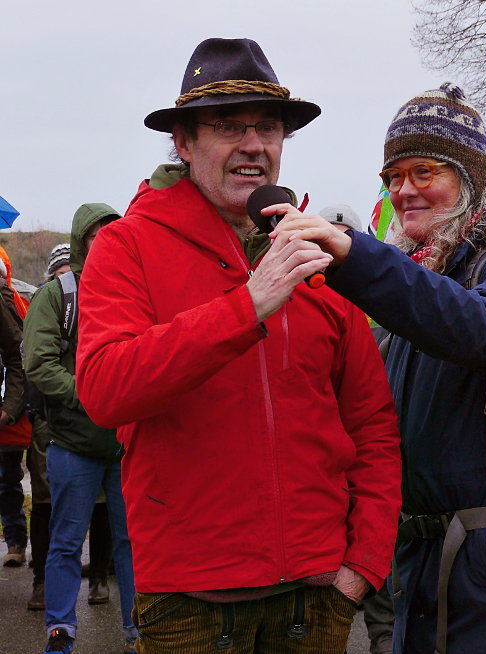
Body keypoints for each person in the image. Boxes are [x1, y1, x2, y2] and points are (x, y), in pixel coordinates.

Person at [74, 37, 402, 654]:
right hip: (187, 603)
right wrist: (247, 305)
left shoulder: (319, 255)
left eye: (269, 127)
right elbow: (105, 389)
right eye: (228, 126)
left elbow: (373, 428)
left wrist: (363, 565)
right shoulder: (127, 246)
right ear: (183, 141)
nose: (253, 144)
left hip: (317, 596)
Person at [271, 82, 486, 653]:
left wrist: (357, 255)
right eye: (394, 177)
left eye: (425, 172)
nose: (405, 191)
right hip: (430, 568)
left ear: (470, 180)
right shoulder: (421, 278)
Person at [23, 204, 137, 654]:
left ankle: (136, 632)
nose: (106, 239)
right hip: (73, 442)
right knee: (66, 541)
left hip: (125, 444)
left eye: (114, 232)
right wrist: (95, 393)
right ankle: (61, 629)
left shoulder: (131, 288)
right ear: (83, 238)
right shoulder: (57, 296)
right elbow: (37, 363)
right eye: (97, 234)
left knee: (132, 544)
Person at [25, 243, 114, 612]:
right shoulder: (50, 305)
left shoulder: (104, 299)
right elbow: (33, 363)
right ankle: (45, 589)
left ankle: (98, 580)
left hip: (104, 428)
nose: (68, 281)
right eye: (59, 274)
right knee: (49, 509)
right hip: (56, 425)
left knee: (104, 511)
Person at [0, 248, 29, 568]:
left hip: (6, 410)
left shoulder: (5, 300)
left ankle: (16, 541)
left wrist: (10, 406)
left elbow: (16, 357)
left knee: (7, 478)